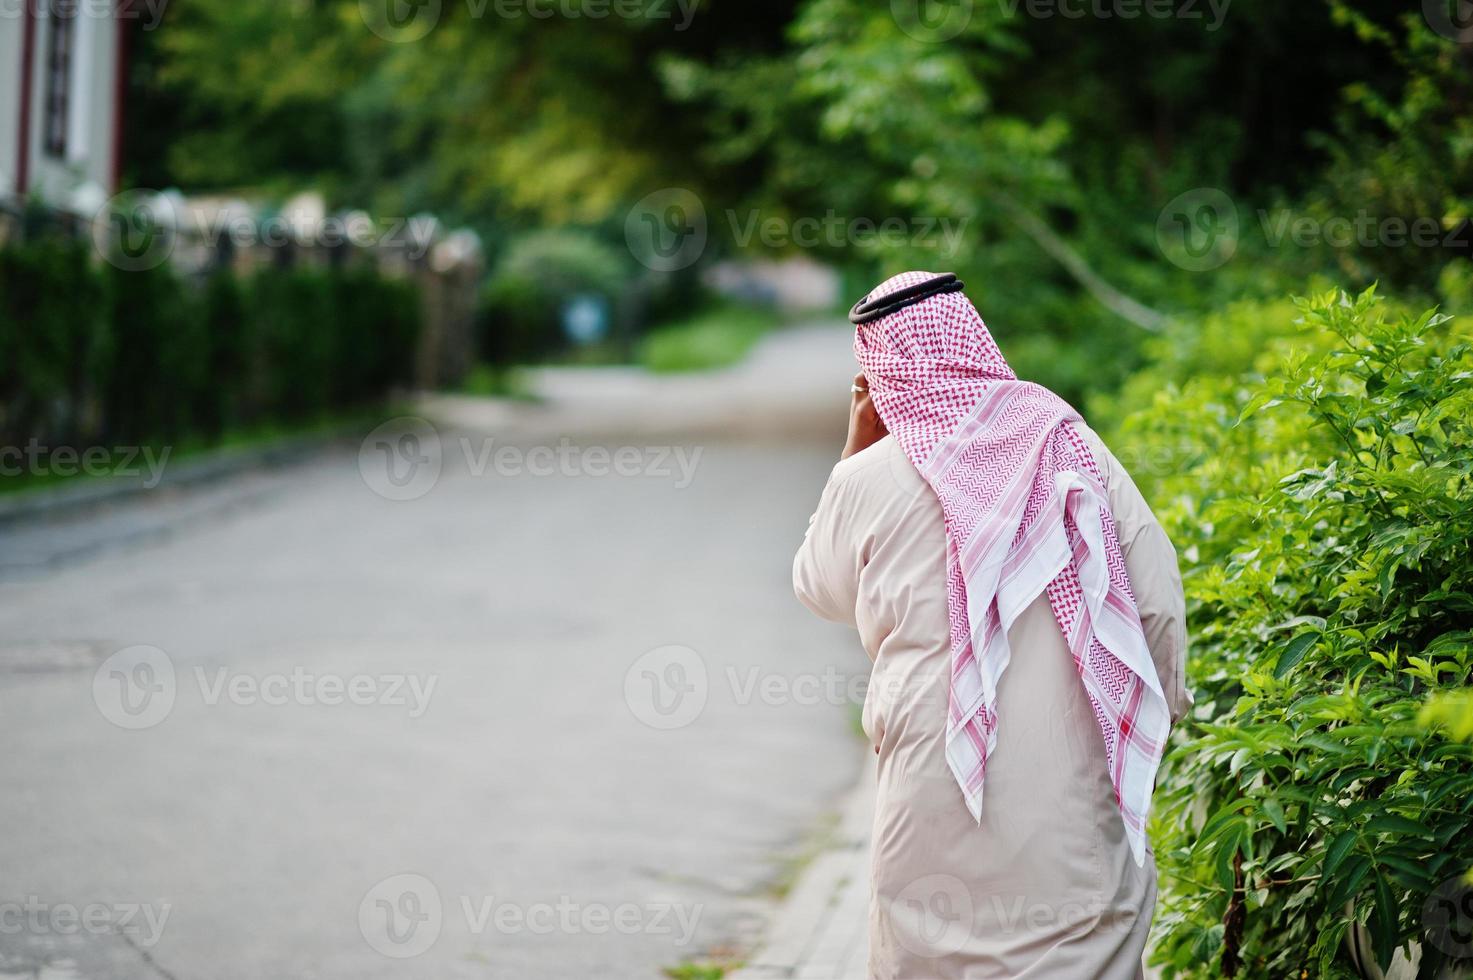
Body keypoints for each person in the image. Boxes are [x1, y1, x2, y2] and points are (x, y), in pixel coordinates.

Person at [793, 271, 1190, 979]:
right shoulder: (1069, 446)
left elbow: (819, 590)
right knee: (1079, 946)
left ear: (876, 369)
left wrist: (856, 443)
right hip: (1067, 772)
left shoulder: (866, 477)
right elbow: (1154, 601)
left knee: (929, 952)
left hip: (927, 772)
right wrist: (1141, 714)